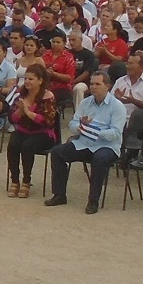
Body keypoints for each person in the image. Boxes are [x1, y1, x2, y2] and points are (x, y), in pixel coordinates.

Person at [45, 70, 126, 214]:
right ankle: (59, 194)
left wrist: (95, 132)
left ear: (107, 86)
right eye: (91, 84)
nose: (93, 87)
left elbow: (115, 133)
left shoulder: (117, 106)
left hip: (107, 146)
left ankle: (93, 201)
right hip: (84, 143)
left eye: (98, 84)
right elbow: (73, 124)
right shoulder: (85, 103)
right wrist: (81, 127)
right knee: (58, 152)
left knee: (99, 159)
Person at [4, 64, 57, 199]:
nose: (27, 81)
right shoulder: (20, 95)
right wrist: (20, 111)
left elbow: (48, 121)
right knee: (13, 144)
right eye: (26, 78)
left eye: (31, 79)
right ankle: (15, 180)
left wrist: (28, 112)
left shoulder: (47, 96)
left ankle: (26, 181)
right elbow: (12, 119)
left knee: (28, 146)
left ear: (40, 80)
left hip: (43, 133)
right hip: (23, 130)